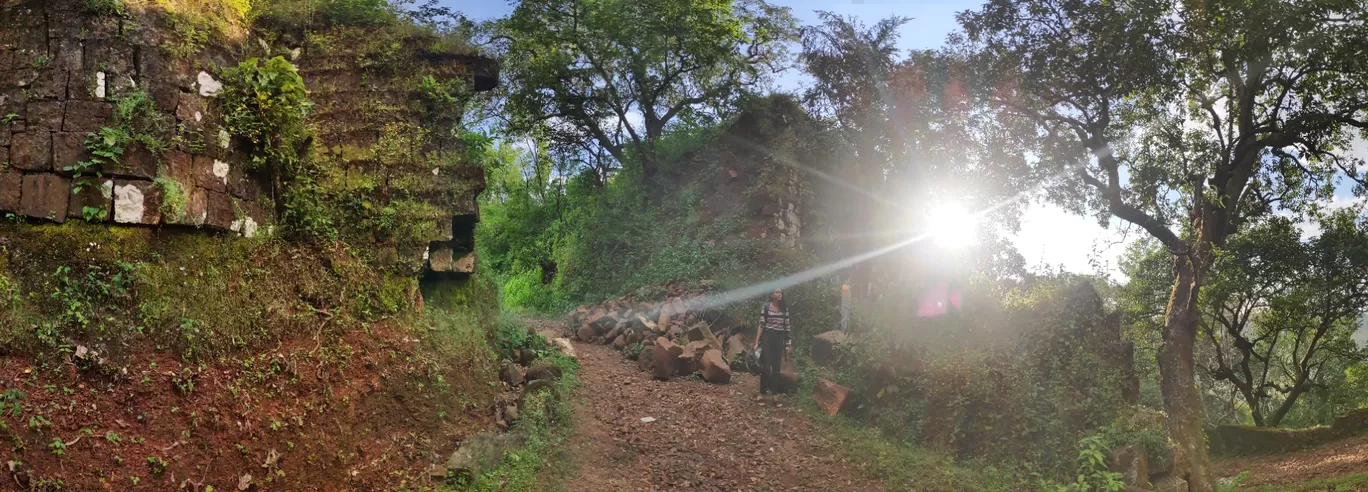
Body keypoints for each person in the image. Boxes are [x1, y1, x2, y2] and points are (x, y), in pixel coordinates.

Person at [753, 288, 792, 397]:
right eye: (777, 292)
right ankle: (762, 392)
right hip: (767, 337)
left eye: (781, 292)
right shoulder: (766, 307)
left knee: (776, 367)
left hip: (779, 338)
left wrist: (788, 343)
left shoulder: (784, 309)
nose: (780, 294)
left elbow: (787, 327)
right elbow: (761, 325)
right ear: (771, 295)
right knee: (766, 365)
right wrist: (756, 342)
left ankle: (774, 394)